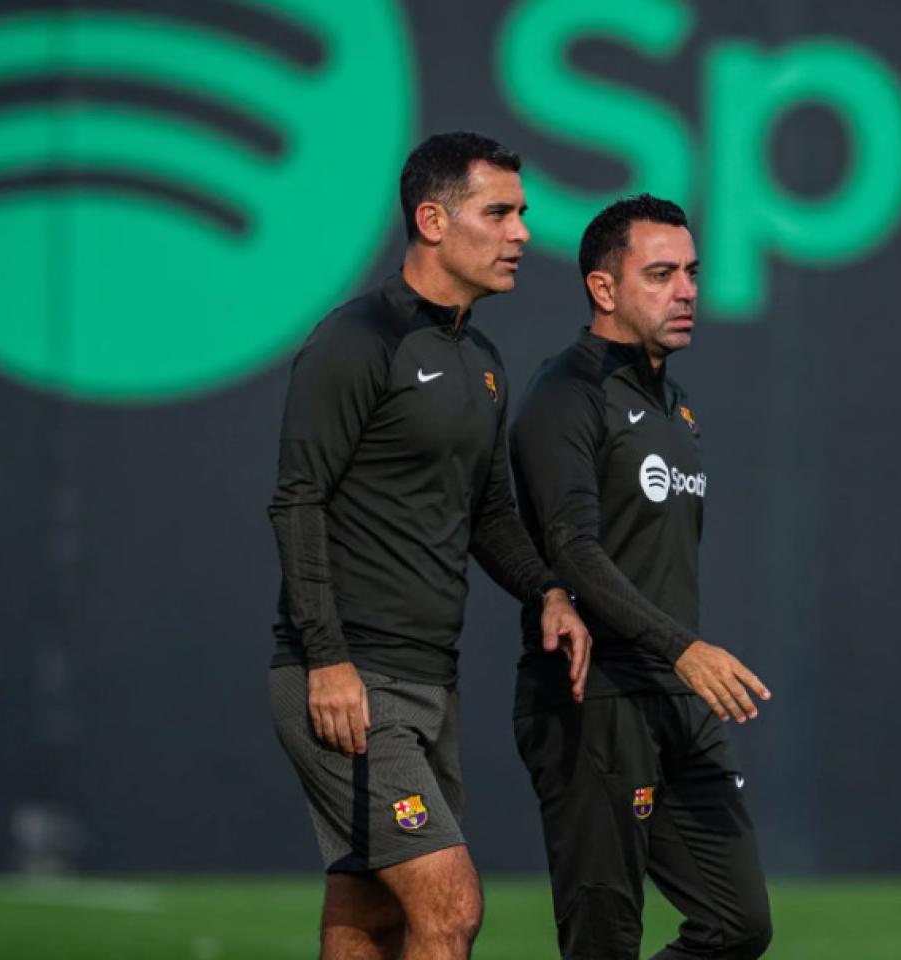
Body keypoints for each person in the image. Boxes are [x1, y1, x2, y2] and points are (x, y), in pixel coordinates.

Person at [266, 131, 591, 960]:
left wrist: (547, 591)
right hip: (349, 681)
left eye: (522, 213)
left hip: (427, 682)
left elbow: (489, 514)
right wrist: (328, 659)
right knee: (450, 908)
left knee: (368, 918)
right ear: (433, 220)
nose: (522, 232)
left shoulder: (480, 360)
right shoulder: (358, 342)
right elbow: (298, 502)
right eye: (500, 212)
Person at [509, 194, 773, 959]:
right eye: (660, 274)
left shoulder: (674, 407)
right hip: (597, 700)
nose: (686, 290)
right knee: (605, 940)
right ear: (603, 288)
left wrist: (678, 662)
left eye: (691, 272)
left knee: (738, 925)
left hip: (673, 699)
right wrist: (683, 648)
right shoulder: (567, 396)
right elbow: (572, 550)